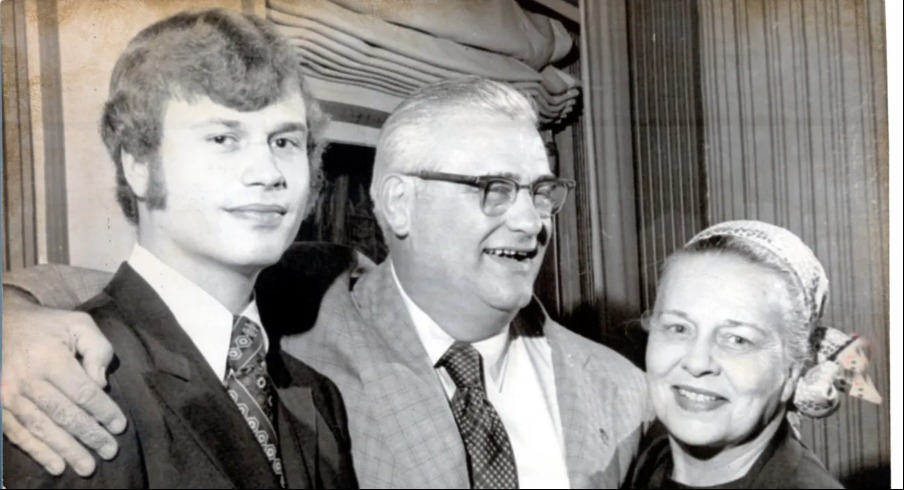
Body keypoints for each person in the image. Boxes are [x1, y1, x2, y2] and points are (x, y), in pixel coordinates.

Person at [2, 78, 652, 488]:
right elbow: (133, 291)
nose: (530, 219)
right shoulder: (309, 308)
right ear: (398, 205)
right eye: (494, 189)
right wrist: (10, 320)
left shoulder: (621, 390)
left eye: (541, 191)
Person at [1, 9, 358, 488]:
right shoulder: (67, 380)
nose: (269, 171)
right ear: (140, 167)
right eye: (223, 138)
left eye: (284, 141)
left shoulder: (316, 394)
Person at [629, 220, 880, 488]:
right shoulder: (643, 459)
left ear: (792, 372)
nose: (697, 362)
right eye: (678, 328)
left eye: (738, 340)